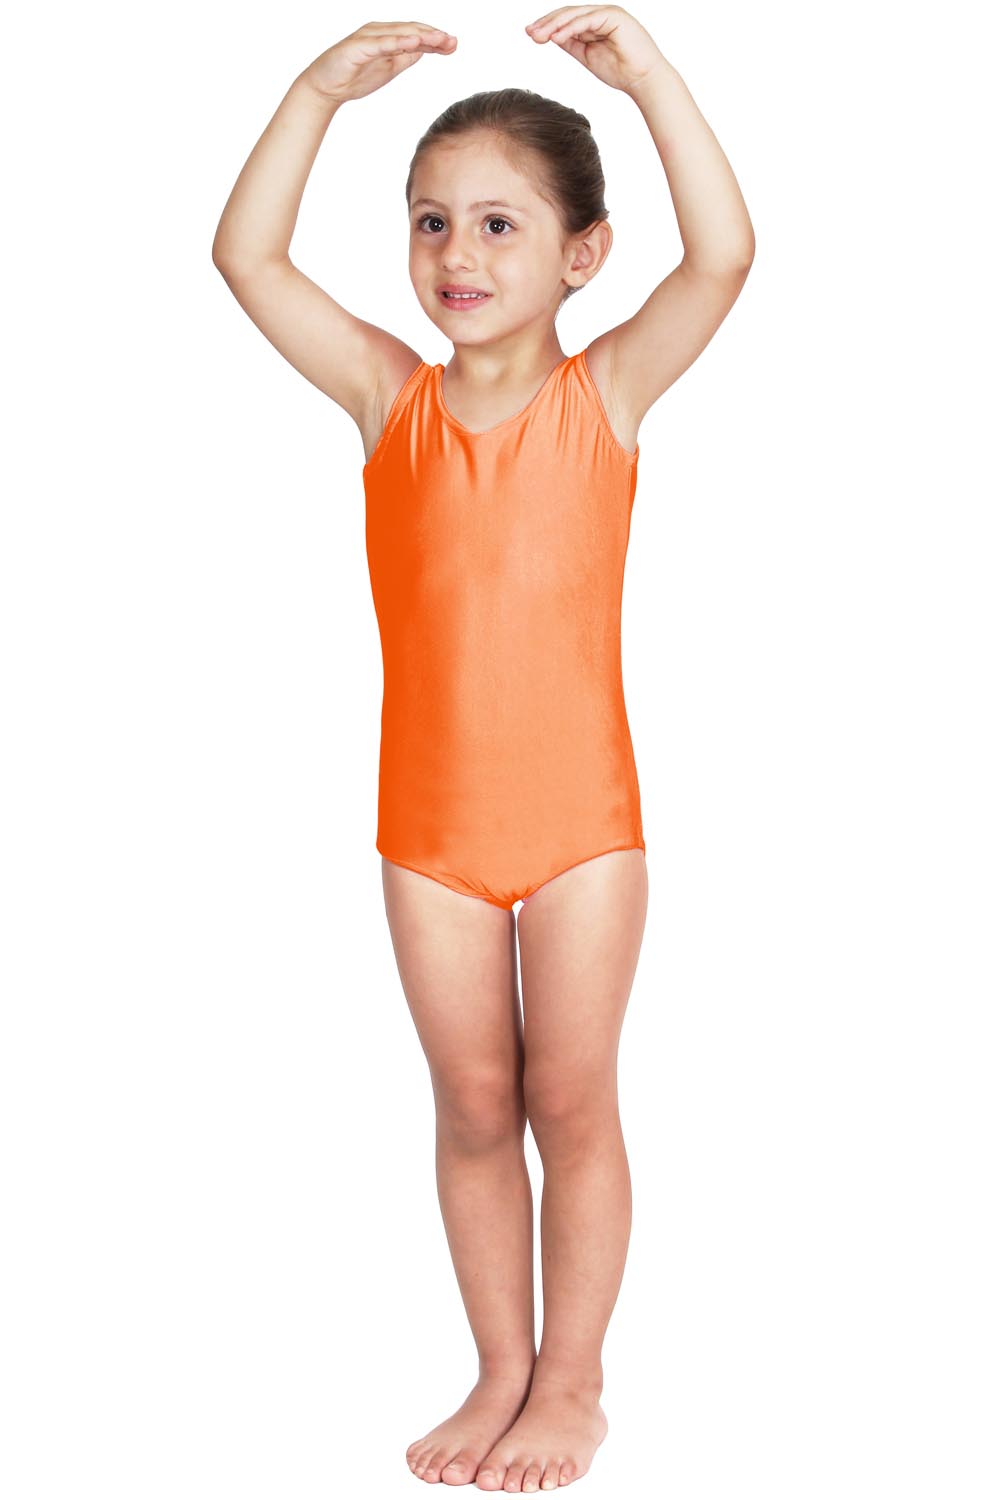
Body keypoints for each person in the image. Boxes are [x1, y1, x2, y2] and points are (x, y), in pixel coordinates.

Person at [213, 10, 754, 1491]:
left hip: (584, 832)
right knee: (469, 1108)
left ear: (585, 253)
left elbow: (721, 259)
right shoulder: (386, 400)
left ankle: (574, 1380)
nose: (458, 251)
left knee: (570, 1102)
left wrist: (651, 81)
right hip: (430, 838)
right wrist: (314, 93)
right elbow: (249, 259)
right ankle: (502, 1365)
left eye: (501, 223)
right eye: (431, 220)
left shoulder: (606, 399)